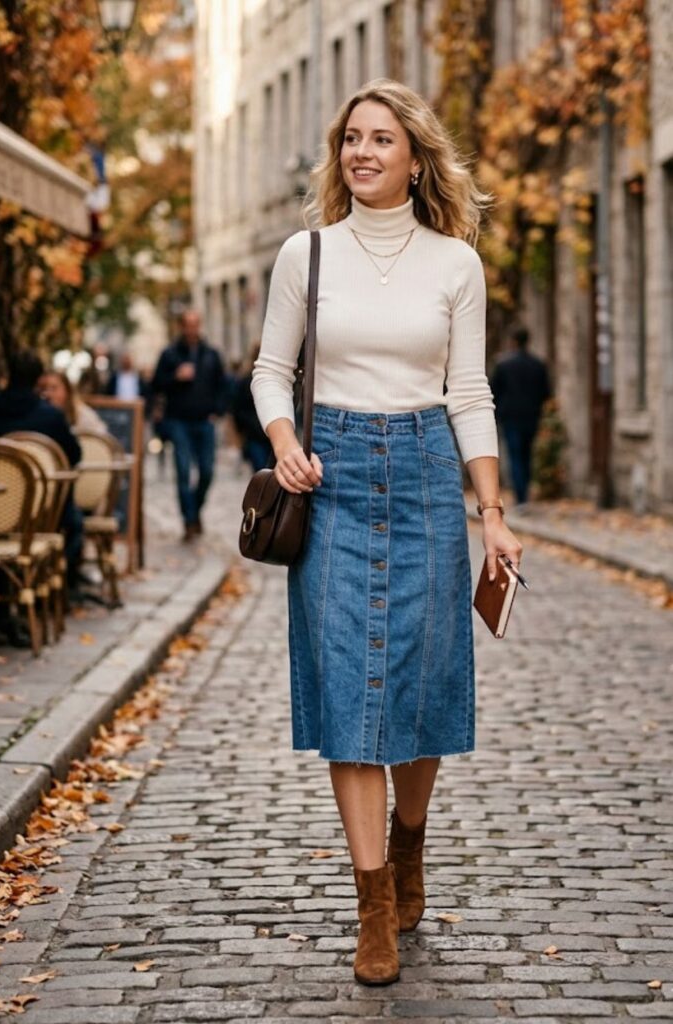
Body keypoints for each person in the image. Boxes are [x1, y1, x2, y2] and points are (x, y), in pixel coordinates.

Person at [251, 79, 523, 987]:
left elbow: (469, 393)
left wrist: (491, 514)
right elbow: (268, 371)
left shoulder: (454, 264)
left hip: (423, 475)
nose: (361, 152)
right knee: (346, 690)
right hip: (329, 480)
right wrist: (286, 443)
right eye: (350, 139)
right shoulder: (306, 255)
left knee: (422, 677)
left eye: (380, 139)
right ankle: (374, 901)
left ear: (414, 157)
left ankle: (410, 840)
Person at [0, 349, 83, 644]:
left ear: (7, 375)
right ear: (38, 380)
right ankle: (47, 595)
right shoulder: (50, 417)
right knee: (74, 523)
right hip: (38, 521)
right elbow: (74, 455)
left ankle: (3, 609)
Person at [151, 310, 229, 540]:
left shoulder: (211, 354)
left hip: (205, 421)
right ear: (181, 326)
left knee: (207, 471)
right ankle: (189, 520)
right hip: (179, 421)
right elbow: (155, 384)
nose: (192, 329)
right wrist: (175, 376)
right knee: (183, 471)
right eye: (188, 324)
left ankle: (194, 511)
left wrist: (217, 410)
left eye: (196, 324)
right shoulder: (170, 354)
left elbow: (223, 386)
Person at [491, 325, 551, 505]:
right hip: (531, 416)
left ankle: (521, 495)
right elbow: (546, 392)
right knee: (527, 455)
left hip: (510, 417)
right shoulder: (538, 365)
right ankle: (524, 491)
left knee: (515, 455)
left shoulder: (503, 365)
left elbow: (494, 392)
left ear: (513, 341)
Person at [230, 343, 272, 472]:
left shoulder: (274, 383)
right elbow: (238, 409)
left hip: (270, 434)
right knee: (261, 469)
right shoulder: (246, 382)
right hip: (254, 434)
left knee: (270, 471)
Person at [39, 370, 108, 434]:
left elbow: (102, 440)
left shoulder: (83, 414)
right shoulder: (41, 415)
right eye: (44, 389)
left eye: (54, 388)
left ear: (67, 390)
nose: (48, 394)